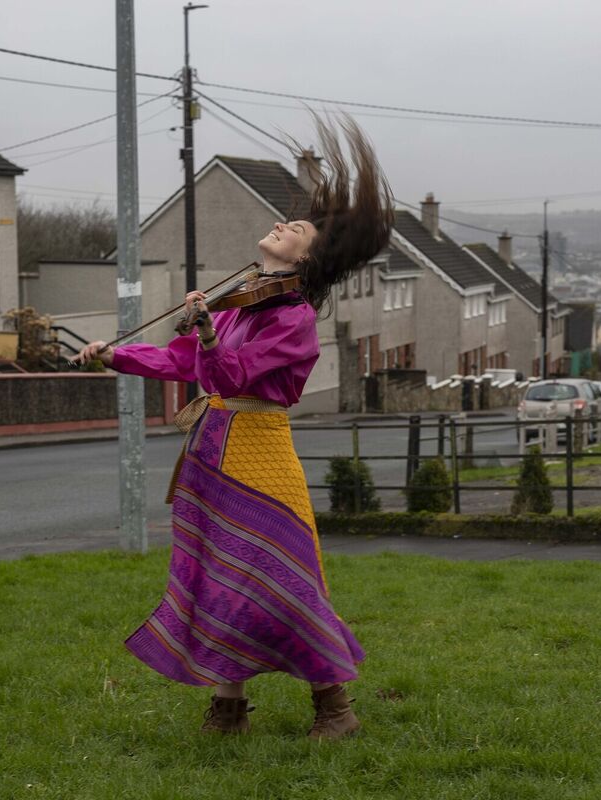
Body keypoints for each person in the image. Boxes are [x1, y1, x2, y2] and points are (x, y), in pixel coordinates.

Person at [74, 116, 393, 739]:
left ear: (308, 258)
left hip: (258, 454)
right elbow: (183, 364)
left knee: (276, 576)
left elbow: (234, 373)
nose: (280, 226)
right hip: (211, 450)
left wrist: (208, 331)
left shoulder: (293, 319)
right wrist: (114, 354)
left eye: (293, 229)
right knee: (215, 575)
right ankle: (229, 709)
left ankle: (336, 709)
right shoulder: (245, 305)